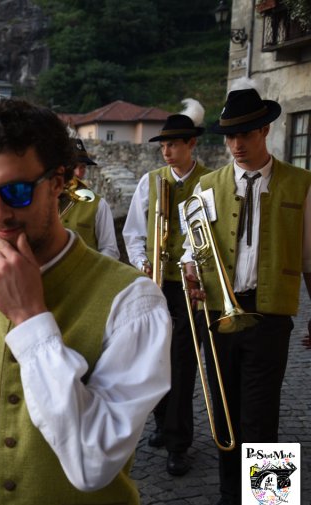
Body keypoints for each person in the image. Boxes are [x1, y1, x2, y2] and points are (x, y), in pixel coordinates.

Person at [0, 98, 171, 505]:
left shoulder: (134, 303)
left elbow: (93, 462)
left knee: (260, 428)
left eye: (15, 191)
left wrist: (32, 319)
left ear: (60, 182)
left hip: (270, 318)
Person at [180, 85, 311, 505]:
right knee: (223, 409)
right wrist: (192, 276)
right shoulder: (207, 186)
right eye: (229, 136)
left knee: (262, 414)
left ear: (266, 130)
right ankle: (229, 497)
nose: (236, 144)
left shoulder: (301, 183)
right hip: (220, 313)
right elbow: (190, 250)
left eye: (246, 134)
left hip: (272, 315)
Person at [122, 98, 210, 477]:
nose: (167, 151)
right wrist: (143, 262)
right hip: (157, 282)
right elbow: (133, 231)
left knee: (184, 364)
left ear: (192, 144)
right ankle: (161, 422)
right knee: (156, 355)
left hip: (191, 285)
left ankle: (179, 442)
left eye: (173, 145)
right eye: (163, 146)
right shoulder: (151, 181)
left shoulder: (209, 182)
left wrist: (189, 262)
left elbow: (207, 233)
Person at [60, 138, 120, 259]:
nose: (78, 172)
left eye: (82, 167)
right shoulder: (42, 200)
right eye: (73, 166)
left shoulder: (99, 204)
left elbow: (110, 249)